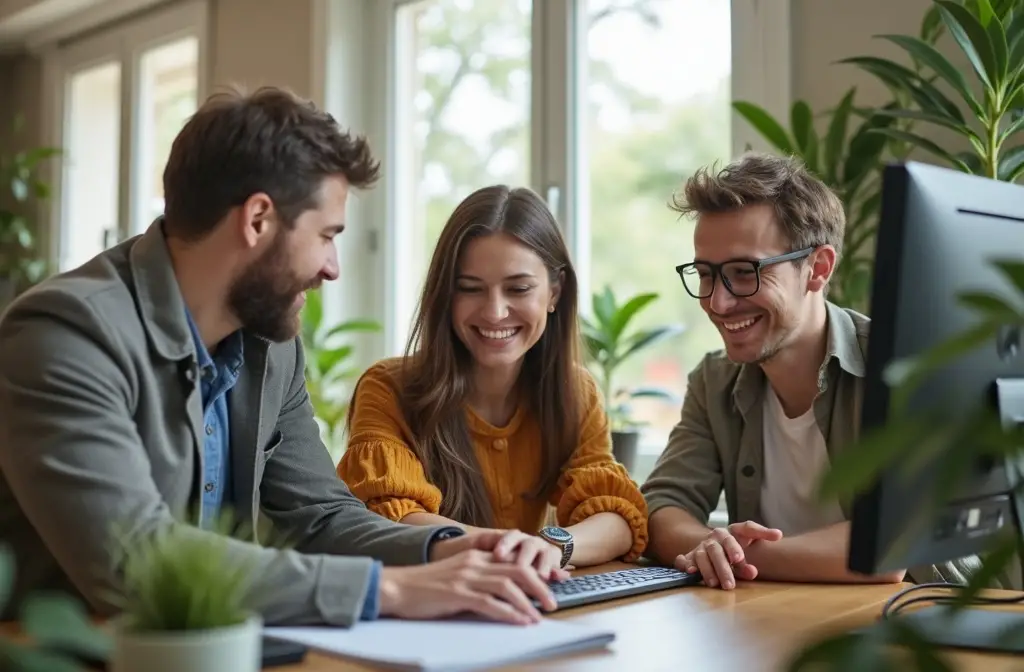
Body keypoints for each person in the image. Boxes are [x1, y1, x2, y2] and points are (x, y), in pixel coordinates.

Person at [0, 87, 568, 628]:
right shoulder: (64, 334)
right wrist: (387, 591)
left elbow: (320, 515)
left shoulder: (271, 344)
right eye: (326, 234)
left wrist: (450, 545)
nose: (333, 268)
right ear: (257, 220)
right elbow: (136, 560)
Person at [641, 152, 978, 591]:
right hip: (785, 623)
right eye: (706, 275)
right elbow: (662, 505)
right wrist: (708, 546)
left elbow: (888, 547)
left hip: (925, 629)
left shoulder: (902, 368)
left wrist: (739, 556)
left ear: (818, 268)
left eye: (745, 273)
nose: (718, 303)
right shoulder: (714, 381)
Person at [335, 184, 649, 578]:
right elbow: (389, 518)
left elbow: (617, 518)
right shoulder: (388, 388)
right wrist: (512, 550)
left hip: (526, 602)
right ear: (445, 295)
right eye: (470, 289)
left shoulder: (576, 392)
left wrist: (551, 547)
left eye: (518, 288)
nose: (495, 311)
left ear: (555, 291)